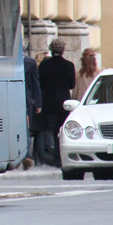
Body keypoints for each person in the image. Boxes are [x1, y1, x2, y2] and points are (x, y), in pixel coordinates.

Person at [36, 38, 75, 167]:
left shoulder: (44, 65)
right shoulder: (69, 65)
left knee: (49, 129)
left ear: (51, 50)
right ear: (63, 50)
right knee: (62, 130)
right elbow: (72, 84)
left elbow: (41, 83)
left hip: (49, 101)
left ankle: (52, 156)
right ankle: (61, 157)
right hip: (64, 102)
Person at [22, 50, 42, 170]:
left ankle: (25, 155)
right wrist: (38, 103)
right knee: (26, 128)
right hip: (26, 99)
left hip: (21, 99)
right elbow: (35, 83)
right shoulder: (30, 62)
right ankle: (27, 155)